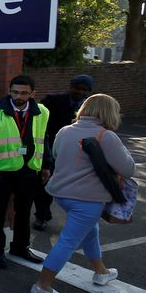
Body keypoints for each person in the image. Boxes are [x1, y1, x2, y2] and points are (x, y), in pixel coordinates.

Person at [30, 94, 136, 293]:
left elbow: (58, 156)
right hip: (87, 199)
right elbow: (128, 168)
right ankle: (42, 286)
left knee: (89, 230)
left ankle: (101, 271)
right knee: (68, 241)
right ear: (109, 112)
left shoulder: (65, 130)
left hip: (61, 194)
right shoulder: (106, 136)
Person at [0, 74, 50, 268]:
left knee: (24, 212)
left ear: (32, 93)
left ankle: (20, 247)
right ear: (10, 91)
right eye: (15, 92)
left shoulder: (41, 112)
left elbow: (44, 139)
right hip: (2, 170)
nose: (19, 96)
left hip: (29, 170)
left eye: (24, 93)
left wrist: (47, 165)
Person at [35, 74, 94, 231]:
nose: (80, 92)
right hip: (51, 147)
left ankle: (76, 220)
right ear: (71, 87)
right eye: (77, 88)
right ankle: (42, 216)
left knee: (76, 188)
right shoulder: (52, 101)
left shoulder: (90, 107)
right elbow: (41, 125)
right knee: (45, 183)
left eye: (84, 90)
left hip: (77, 153)